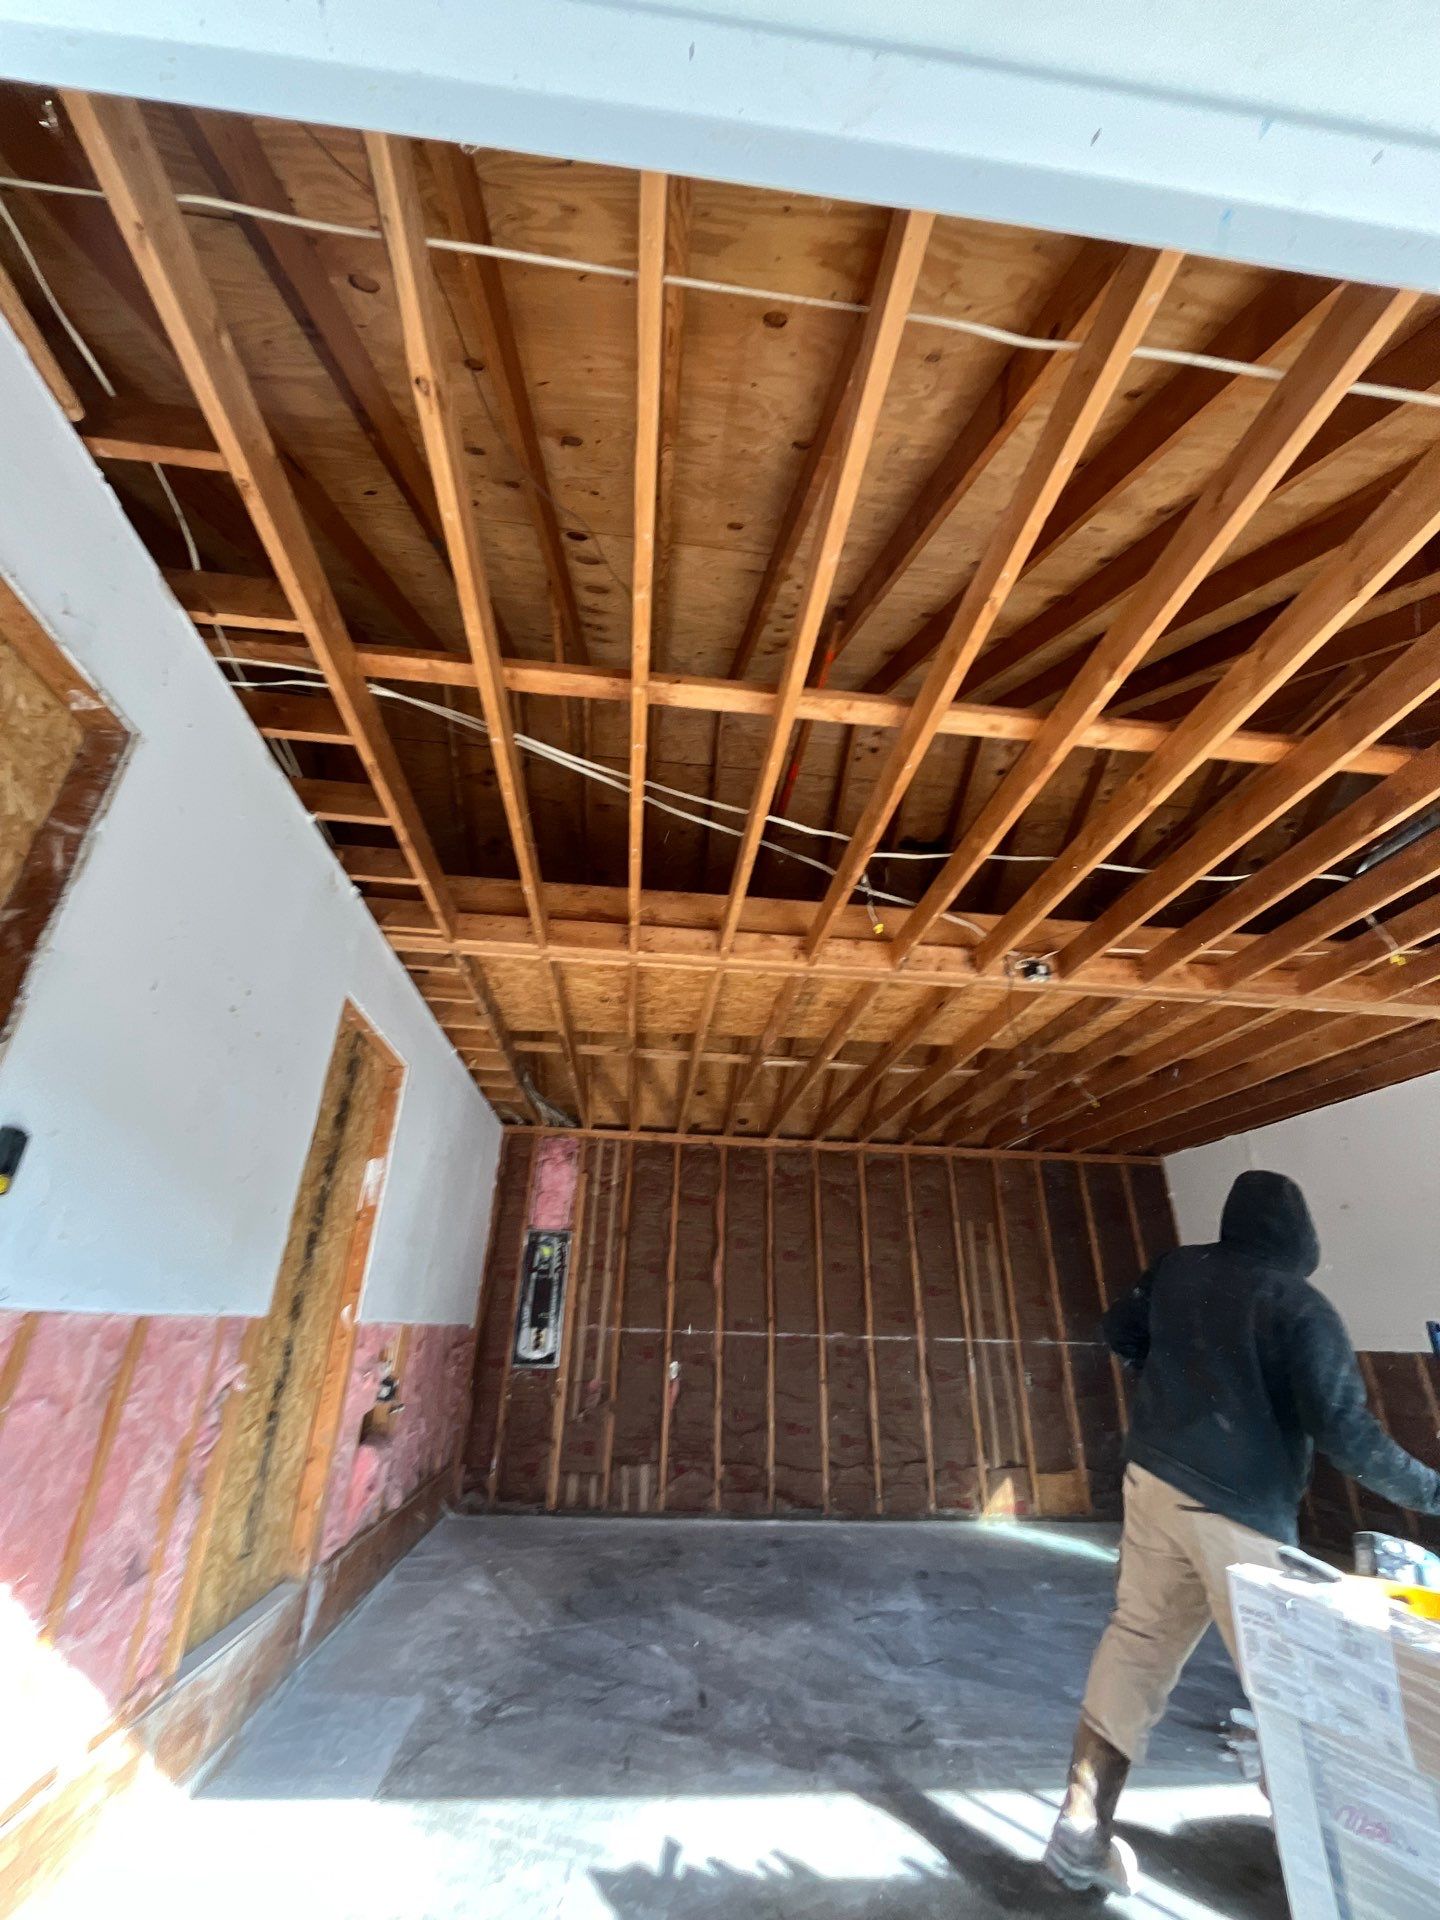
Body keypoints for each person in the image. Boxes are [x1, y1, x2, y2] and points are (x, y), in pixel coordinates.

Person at [1043, 1168, 1440, 1896]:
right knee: (1294, 1685)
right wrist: (1433, 1493)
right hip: (1238, 1511)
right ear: (1302, 1237)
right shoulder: (1299, 1304)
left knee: (1137, 1641)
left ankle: (1079, 1828)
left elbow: (1117, 1330)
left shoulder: (1178, 1269)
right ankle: (1339, 1873)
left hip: (1154, 1479)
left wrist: (1164, 1385)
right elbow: (1348, 1437)